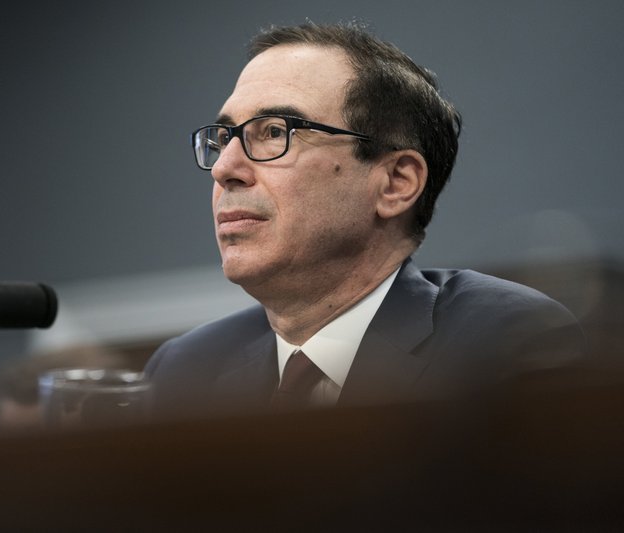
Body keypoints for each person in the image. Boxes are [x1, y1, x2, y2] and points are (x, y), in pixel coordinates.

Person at [144, 22, 585, 419]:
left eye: (275, 132)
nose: (224, 169)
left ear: (395, 182)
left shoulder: (502, 345)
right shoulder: (184, 373)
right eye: (224, 139)